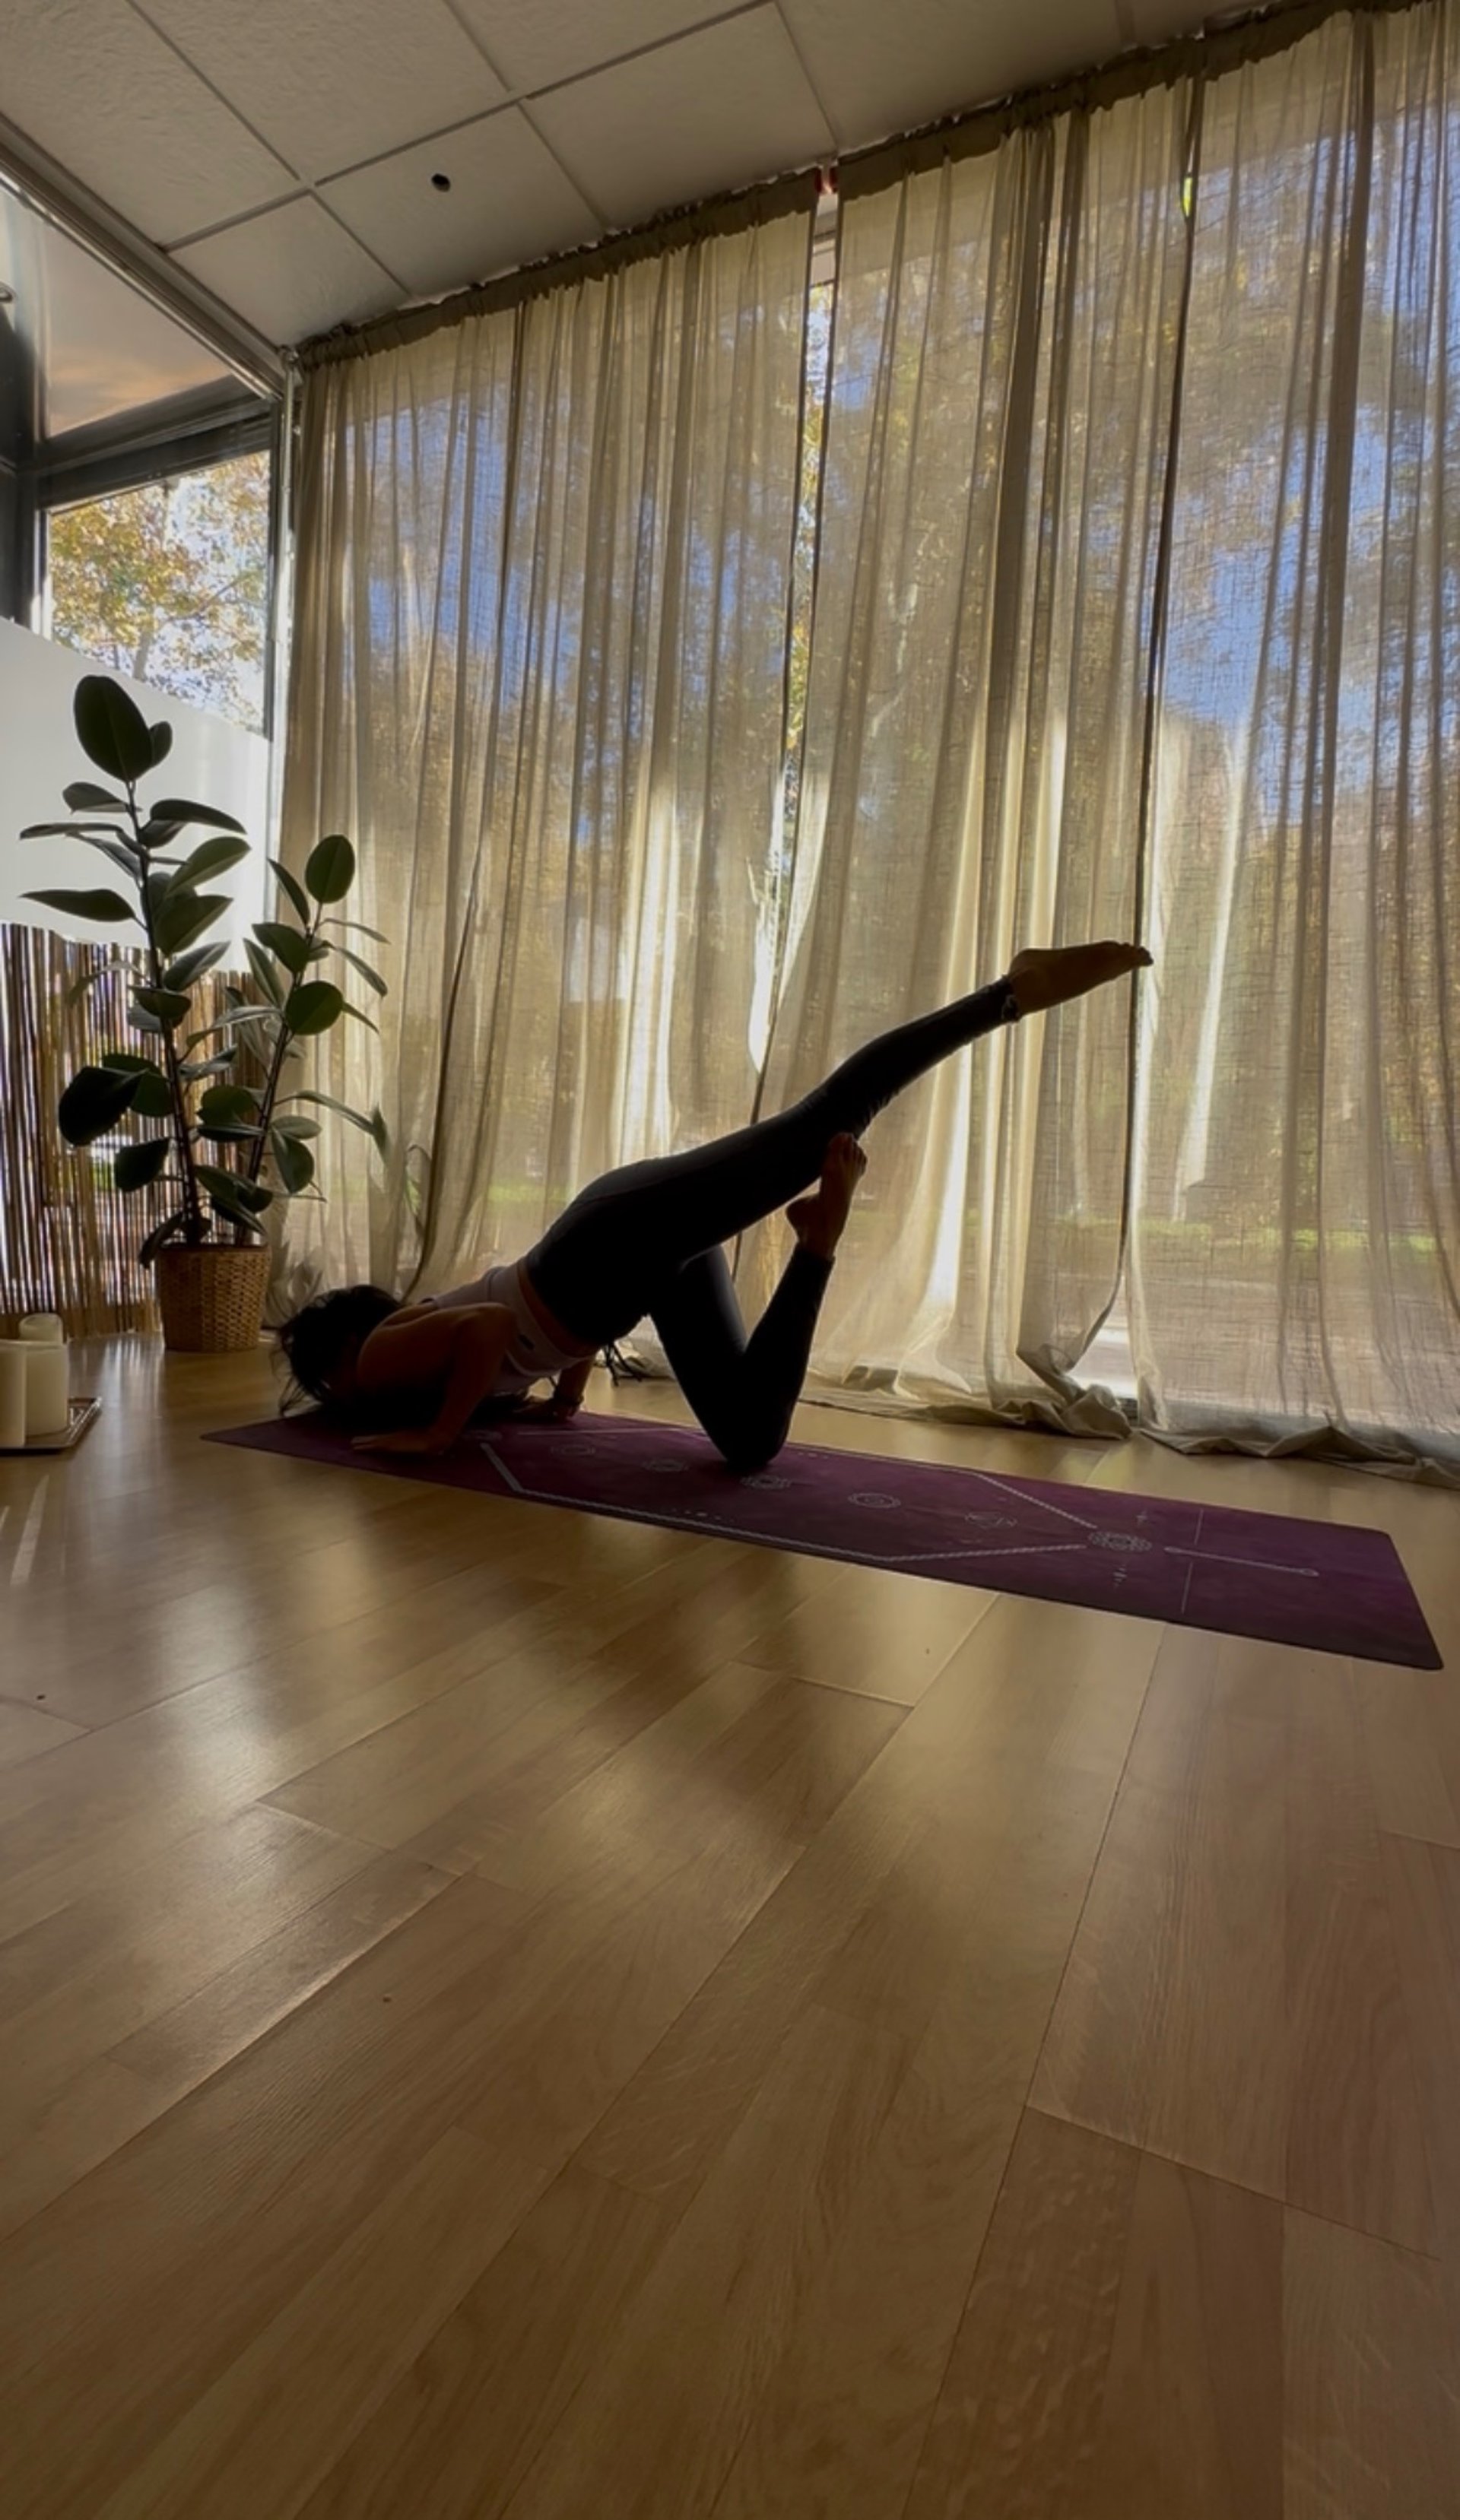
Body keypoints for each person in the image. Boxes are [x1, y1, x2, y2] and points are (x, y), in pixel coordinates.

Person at [276, 941, 1151, 1471]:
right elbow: (530, 1330)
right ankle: (816, 1243)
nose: (333, 1401)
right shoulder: (412, 1362)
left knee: (821, 1125)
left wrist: (437, 1437)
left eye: (324, 1386)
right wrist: (564, 1394)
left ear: (341, 1359)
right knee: (750, 1439)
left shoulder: (387, 1359)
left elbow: (494, 1331)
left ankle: (1007, 993)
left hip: (614, 1238)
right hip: (624, 1273)